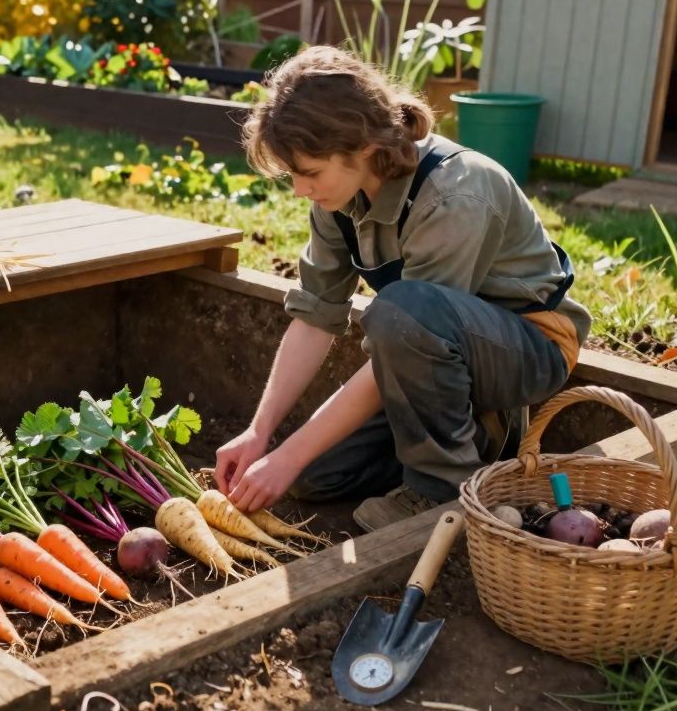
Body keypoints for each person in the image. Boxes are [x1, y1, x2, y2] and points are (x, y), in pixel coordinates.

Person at [213, 46, 591, 531]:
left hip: (529, 346)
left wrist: (286, 454)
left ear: (364, 146)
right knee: (316, 477)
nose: (300, 190)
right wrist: (261, 435)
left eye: (309, 174)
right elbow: (315, 317)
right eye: (293, 175)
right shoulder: (337, 198)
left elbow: (413, 326)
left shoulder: (455, 192)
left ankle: (443, 493)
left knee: (398, 312)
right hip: (437, 349)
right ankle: (475, 436)